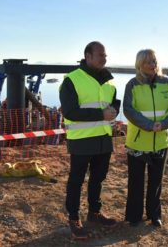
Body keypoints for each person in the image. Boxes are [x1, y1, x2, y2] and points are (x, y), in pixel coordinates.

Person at [59, 41, 120, 240]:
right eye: (100, 55)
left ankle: (94, 212)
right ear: (88, 56)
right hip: (82, 140)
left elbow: (113, 104)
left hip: (103, 138)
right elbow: (70, 112)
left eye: (105, 55)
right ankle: (74, 218)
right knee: (76, 181)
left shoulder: (109, 80)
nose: (105, 58)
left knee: (98, 178)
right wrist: (102, 114)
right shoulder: (72, 80)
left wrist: (114, 111)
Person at [123, 49, 168, 227]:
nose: (152, 64)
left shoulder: (167, 82)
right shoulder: (132, 84)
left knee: (156, 181)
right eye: (148, 61)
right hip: (138, 142)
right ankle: (134, 216)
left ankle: (154, 215)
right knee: (136, 181)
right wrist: (149, 125)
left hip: (161, 140)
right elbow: (128, 110)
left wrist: (164, 124)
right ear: (139, 64)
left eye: (154, 61)